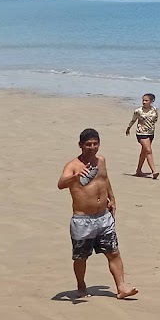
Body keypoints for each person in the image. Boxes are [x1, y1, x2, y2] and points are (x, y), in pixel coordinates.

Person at [59, 127, 137, 300]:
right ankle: (81, 285)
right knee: (81, 257)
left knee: (113, 252)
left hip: (103, 217)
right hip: (83, 220)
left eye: (95, 144)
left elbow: (104, 179)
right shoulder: (73, 165)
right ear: (80, 145)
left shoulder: (101, 160)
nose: (92, 147)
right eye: (88, 144)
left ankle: (121, 287)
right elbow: (61, 183)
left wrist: (113, 198)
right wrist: (75, 176)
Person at [123, 92, 160, 179]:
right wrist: (128, 128)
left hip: (150, 133)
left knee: (144, 152)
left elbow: (155, 119)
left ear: (151, 101)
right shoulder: (138, 111)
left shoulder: (154, 109)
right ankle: (154, 171)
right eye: (143, 100)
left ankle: (138, 170)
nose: (144, 102)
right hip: (141, 133)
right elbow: (133, 120)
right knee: (148, 150)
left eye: (146, 100)